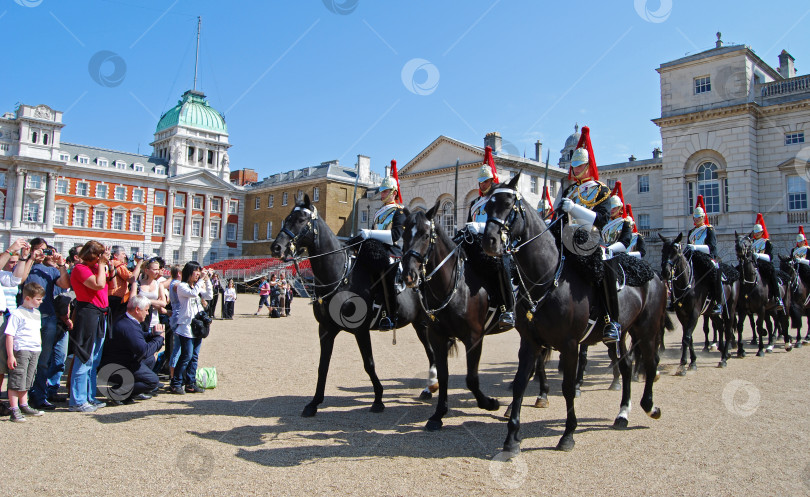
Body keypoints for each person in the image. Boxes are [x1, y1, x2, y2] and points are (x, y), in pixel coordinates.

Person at [557, 126, 620, 343]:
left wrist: (573, 208)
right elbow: (559, 219)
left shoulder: (601, 189)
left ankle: (612, 320)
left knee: (604, 265)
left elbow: (602, 220)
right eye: (573, 166)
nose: (575, 169)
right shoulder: (568, 191)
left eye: (580, 165)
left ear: (588, 164)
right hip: (566, 237)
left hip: (591, 238)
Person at [463, 147, 515, 330]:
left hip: (496, 242)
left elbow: (501, 222)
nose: (483, 184)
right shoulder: (474, 203)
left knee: (501, 267)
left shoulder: (498, 198)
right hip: (476, 243)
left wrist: (478, 227)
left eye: (486, 181)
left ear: (492, 180)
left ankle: (507, 307)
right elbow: (471, 223)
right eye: (481, 181)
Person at [355, 159, 406, 331]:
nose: (382, 194)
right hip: (376, 251)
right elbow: (373, 233)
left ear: (394, 192)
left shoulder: (400, 211)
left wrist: (370, 233)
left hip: (392, 251)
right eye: (382, 191)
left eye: (385, 192)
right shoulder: (378, 212)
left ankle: (391, 316)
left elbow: (395, 235)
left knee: (387, 276)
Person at [24, 237, 71, 410]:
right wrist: (29, 258)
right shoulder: (26, 266)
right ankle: (23, 396)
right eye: (40, 250)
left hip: (48, 316)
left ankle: (39, 396)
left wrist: (61, 266)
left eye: (46, 250)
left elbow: (65, 284)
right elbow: (20, 279)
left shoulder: (49, 271)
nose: (43, 253)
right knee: (26, 359)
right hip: (27, 317)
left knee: (44, 361)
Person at [68, 241, 111, 412]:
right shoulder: (80, 269)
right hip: (88, 313)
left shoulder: (96, 268)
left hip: (101, 314)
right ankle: (77, 400)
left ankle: (89, 396)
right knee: (84, 357)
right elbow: (98, 284)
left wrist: (105, 267)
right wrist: (101, 266)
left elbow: (109, 285)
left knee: (94, 360)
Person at [100, 294, 164, 405]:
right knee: (152, 381)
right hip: (115, 368)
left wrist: (152, 335)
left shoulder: (126, 320)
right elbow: (143, 351)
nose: (147, 313)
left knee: (150, 360)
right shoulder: (128, 326)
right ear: (137, 310)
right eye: (146, 310)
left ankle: (130, 392)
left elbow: (138, 338)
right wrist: (159, 338)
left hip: (120, 362)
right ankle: (118, 392)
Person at [3, 282, 47, 422]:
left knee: (28, 378)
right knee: (17, 379)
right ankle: (14, 409)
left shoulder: (37, 313)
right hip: (21, 349)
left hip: (34, 349)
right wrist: (11, 355)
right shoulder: (17, 313)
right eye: (38, 299)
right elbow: (10, 334)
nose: (41, 302)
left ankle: (24, 404)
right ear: (27, 298)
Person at [169, 262, 212, 395]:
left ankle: (190, 382)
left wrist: (208, 280)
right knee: (186, 355)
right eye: (196, 272)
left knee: (194, 356)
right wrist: (201, 280)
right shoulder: (181, 286)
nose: (198, 274)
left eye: (199, 271)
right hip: (186, 326)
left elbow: (209, 295)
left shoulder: (196, 286)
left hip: (197, 326)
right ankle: (176, 383)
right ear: (189, 272)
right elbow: (193, 293)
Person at [686, 195, 724, 315]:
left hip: (706, 257)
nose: (696, 219)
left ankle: (718, 301)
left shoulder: (709, 230)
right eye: (695, 217)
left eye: (699, 217)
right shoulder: (691, 232)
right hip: (692, 257)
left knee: (714, 272)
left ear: (703, 217)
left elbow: (711, 247)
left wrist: (695, 247)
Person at [750, 213, 783, 310]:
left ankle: (778, 298)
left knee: (773, 276)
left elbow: (770, 257)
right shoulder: (751, 243)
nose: (756, 234)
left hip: (764, 264)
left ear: (762, 232)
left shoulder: (767, 242)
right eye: (755, 232)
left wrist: (758, 255)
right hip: (753, 264)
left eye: (758, 232)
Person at [600, 181, 633, 259]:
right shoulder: (603, 221)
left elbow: (625, 242)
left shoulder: (625, 223)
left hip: (618, 255)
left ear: (619, 208)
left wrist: (609, 249)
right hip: (601, 252)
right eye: (610, 207)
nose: (612, 210)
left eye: (614, 208)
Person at [108, 246, 133, 321]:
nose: (125, 256)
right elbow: (131, 277)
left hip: (112, 296)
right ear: (115, 255)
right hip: (116, 297)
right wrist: (139, 264)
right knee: (116, 320)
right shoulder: (118, 264)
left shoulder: (112, 263)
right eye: (123, 253)